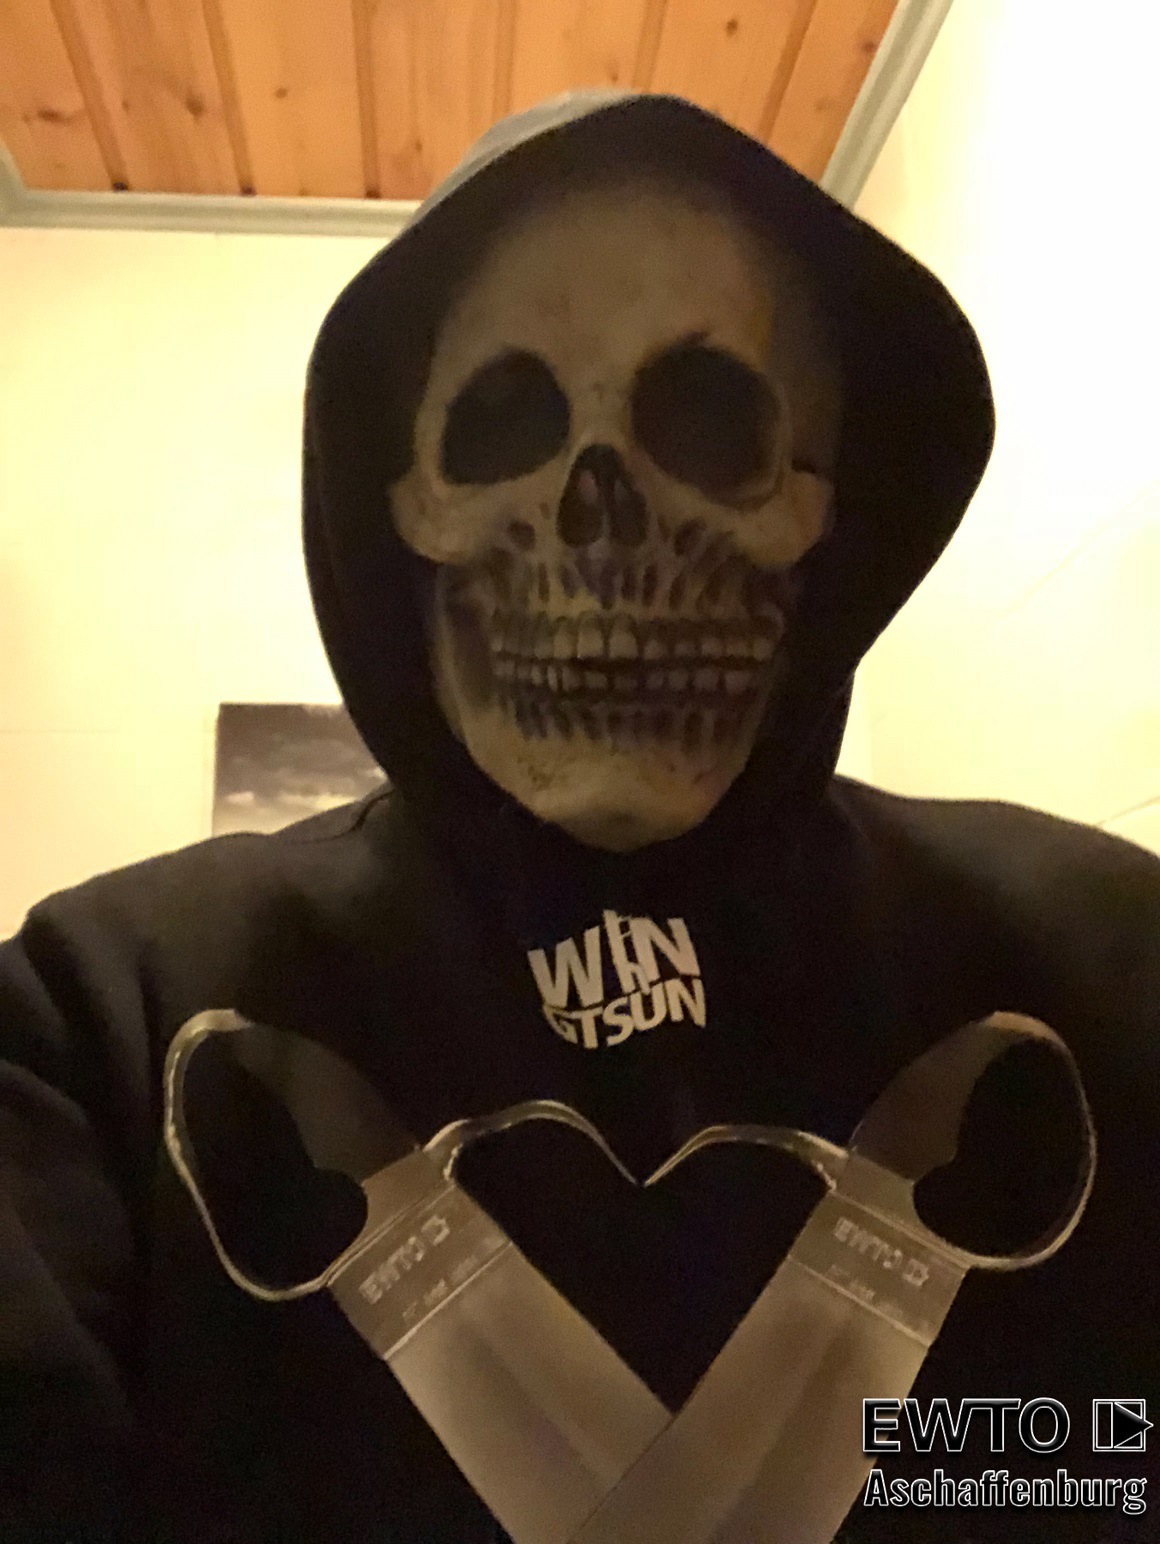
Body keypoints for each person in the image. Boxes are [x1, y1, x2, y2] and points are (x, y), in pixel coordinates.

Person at [1, 90, 1157, 1543]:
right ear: (404, 506)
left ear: (824, 507)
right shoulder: (102, 1019)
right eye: (505, 429)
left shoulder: (1112, 966)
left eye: (710, 425)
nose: (599, 523)